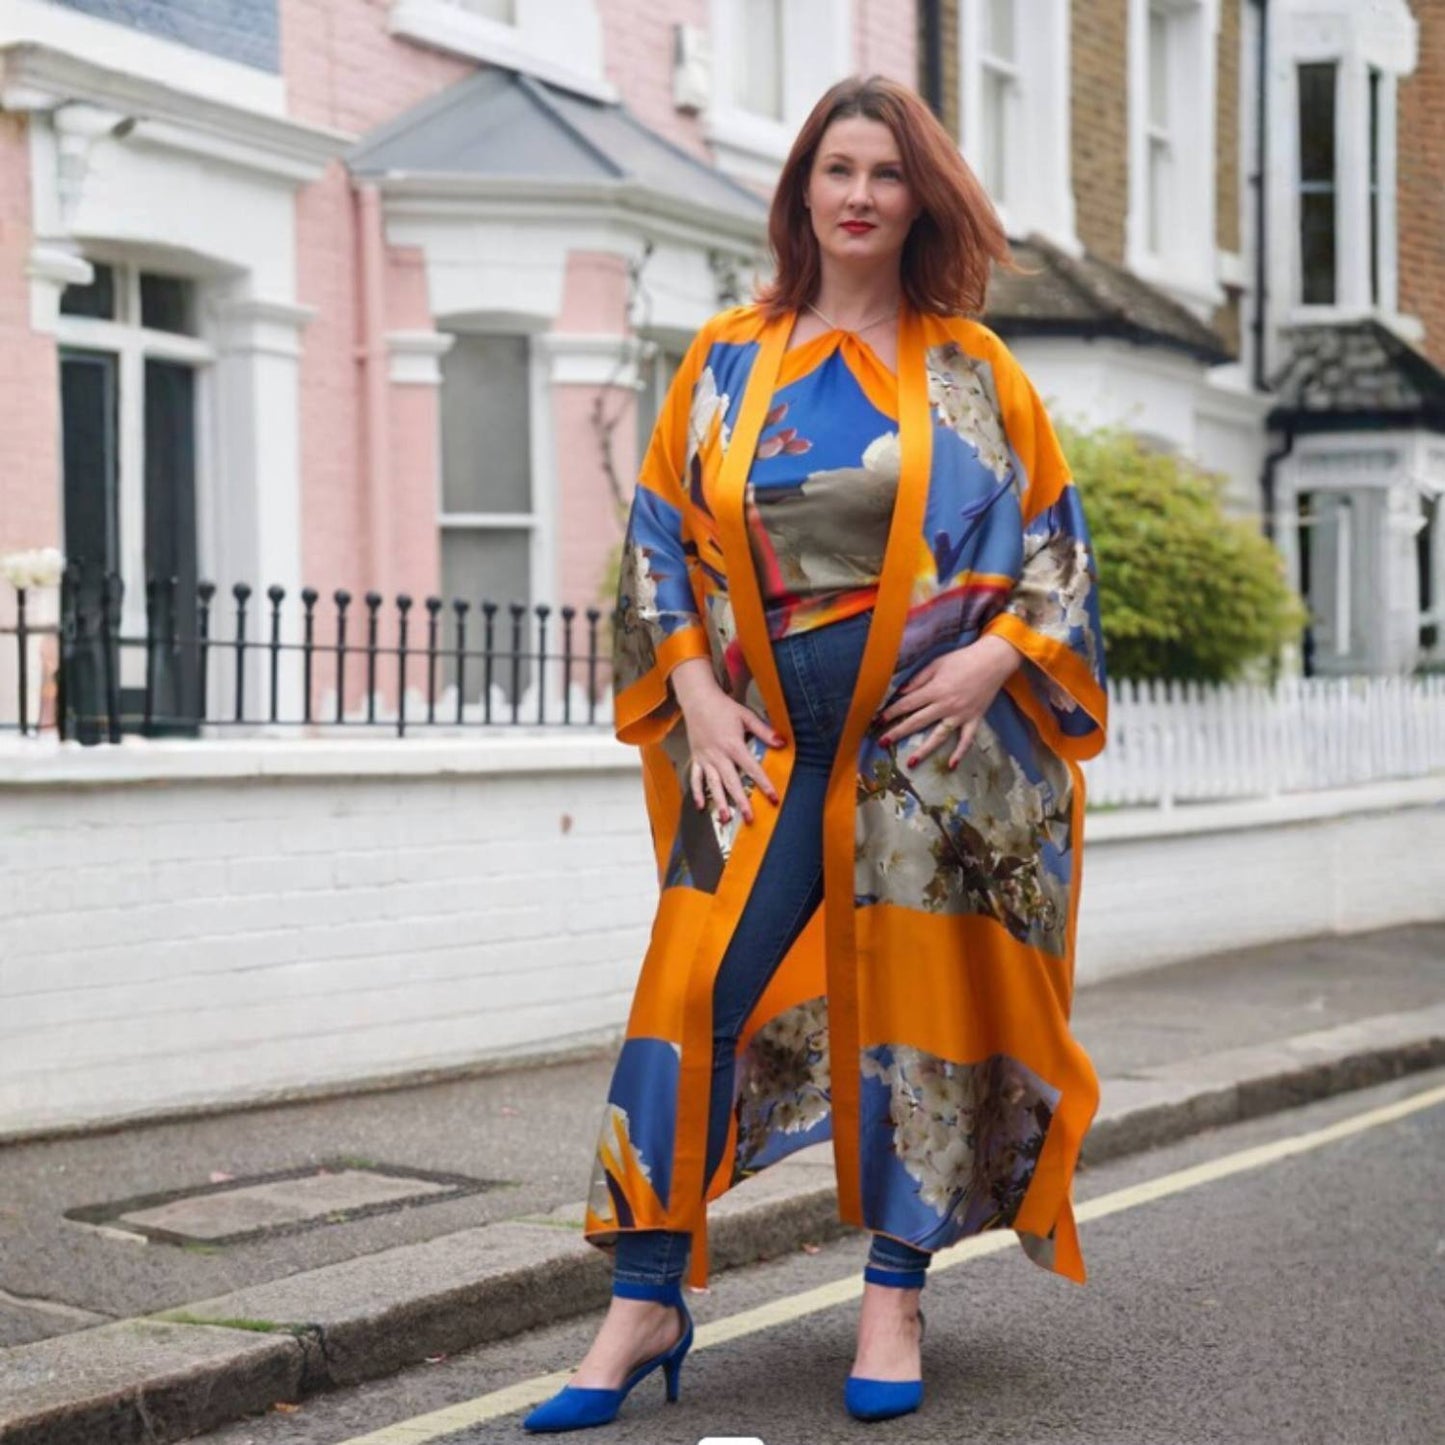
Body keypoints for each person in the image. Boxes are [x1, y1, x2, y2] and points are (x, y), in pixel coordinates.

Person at [522, 73, 1108, 1433]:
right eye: (833, 171)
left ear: (920, 199)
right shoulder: (728, 357)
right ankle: (646, 1295)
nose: (856, 195)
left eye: (884, 174)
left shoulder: (971, 365)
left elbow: (1054, 546)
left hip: (926, 760)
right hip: (764, 746)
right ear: (798, 194)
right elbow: (659, 533)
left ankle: (893, 1290)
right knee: (690, 994)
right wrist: (693, 690)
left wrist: (995, 655)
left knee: (919, 1014)